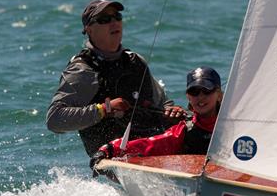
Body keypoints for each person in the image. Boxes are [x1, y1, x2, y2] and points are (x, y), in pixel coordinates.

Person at [46, 0, 186, 156]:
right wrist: (103, 109)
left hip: (155, 146)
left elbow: (162, 102)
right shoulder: (83, 71)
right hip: (116, 156)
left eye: (117, 17)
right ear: (89, 29)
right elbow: (54, 120)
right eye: (104, 19)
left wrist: (171, 111)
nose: (113, 22)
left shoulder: (136, 61)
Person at [90, 66, 223, 170]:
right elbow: (150, 144)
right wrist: (110, 148)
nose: (200, 97)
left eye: (207, 90)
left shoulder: (235, 127)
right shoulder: (184, 130)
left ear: (219, 95)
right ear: (188, 96)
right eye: (194, 92)